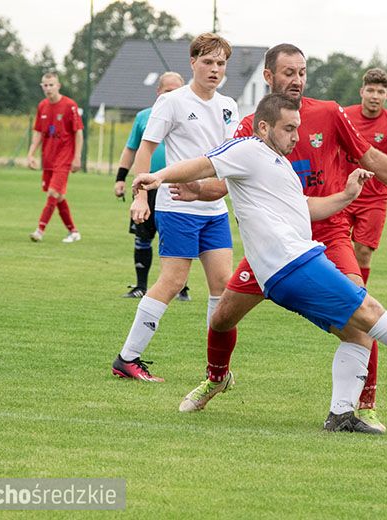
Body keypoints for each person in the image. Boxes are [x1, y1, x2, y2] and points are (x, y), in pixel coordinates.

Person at [132, 92, 387, 433]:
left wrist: (346, 195)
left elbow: (306, 208)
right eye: (288, 128)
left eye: (298, 128)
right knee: (373, 317)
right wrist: (159, 176)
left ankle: (341, 414)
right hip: (293, 265)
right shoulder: (247, 148)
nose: (296, 136)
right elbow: (203, 164)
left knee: (355, 334)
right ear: (264, 127)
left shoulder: (278, 165)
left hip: (290, 265)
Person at [169, 44, 387, 433]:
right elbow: (222, 180)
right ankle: (217, 377)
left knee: (362, 314)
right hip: (272, 247)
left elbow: (371, 157)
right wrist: (197, 190)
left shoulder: (328, 112)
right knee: (221, 318)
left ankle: (362, 405)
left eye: (302, 72)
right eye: (289, 72)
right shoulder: (253, 125)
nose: (298, 80)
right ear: (268, 77)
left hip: (330, 234)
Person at [111, 33, 239, 382]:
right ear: (193, 62)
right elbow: (145, 150)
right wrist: (140, 196)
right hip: (177, 206)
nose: (214, 69)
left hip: (214, 208)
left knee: (222, 285)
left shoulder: (229, 105)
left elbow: (230, 158)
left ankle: (216, 368)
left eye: (221, 63)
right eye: (208, 62)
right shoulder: (172, 102)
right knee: (172, 281)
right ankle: (128, 357)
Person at [341, 67, 387, 423]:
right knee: (338, 246)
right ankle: (349, 282)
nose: (374, 96)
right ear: (362, 91)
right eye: (370, 90)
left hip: (373, 200)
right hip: (345, 193)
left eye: (380, 92)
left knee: (364, 250)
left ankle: (358, 286)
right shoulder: (345, 116)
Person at [113, 71, 191, 300]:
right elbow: (132, 149)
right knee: (143, 235)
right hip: (147, 185)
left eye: (177, 90)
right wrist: (120, 178)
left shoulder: (190, 117)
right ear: (158, 92)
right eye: (168, 91)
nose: (172, 95)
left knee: (177, 237)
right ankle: (140, 286)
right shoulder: (144, 117)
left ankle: (181, 288)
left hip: (177, 186)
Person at [27, 72, 84, 243]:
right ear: (42, 86)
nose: (48, 88)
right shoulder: (42, 106)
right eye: (45, 85)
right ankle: (73, 232)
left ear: (58, 86)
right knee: (58, 196)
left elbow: (78, 132)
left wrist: (77, 157)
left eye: (51, 85)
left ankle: (40, 230)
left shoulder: (69, 105)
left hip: (64, 158)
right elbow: (38, 132)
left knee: (53, 192)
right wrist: (31, 153)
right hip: (48, 159)